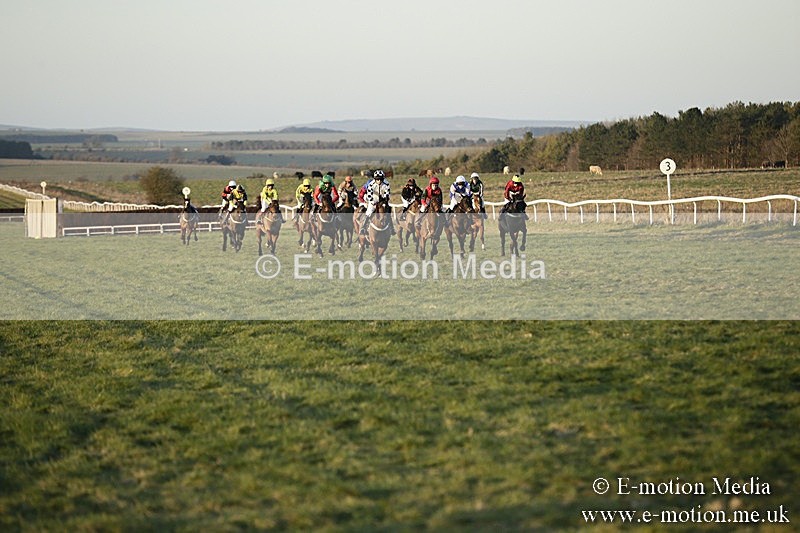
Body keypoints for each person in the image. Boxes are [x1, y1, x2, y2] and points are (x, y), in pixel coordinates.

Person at [360, 169, 394, 235]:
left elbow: (387, 194)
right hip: (373, 199)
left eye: (381, 179)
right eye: (377, 179)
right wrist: (373, 202)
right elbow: (369, 195)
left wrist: (384, 200)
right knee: (369, 212)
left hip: (382, 200)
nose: (379, 181)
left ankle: (392, 228)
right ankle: (363, 228)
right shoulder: (371, 184)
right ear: (375, 179)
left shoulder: (386, 184)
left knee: (388, 211)